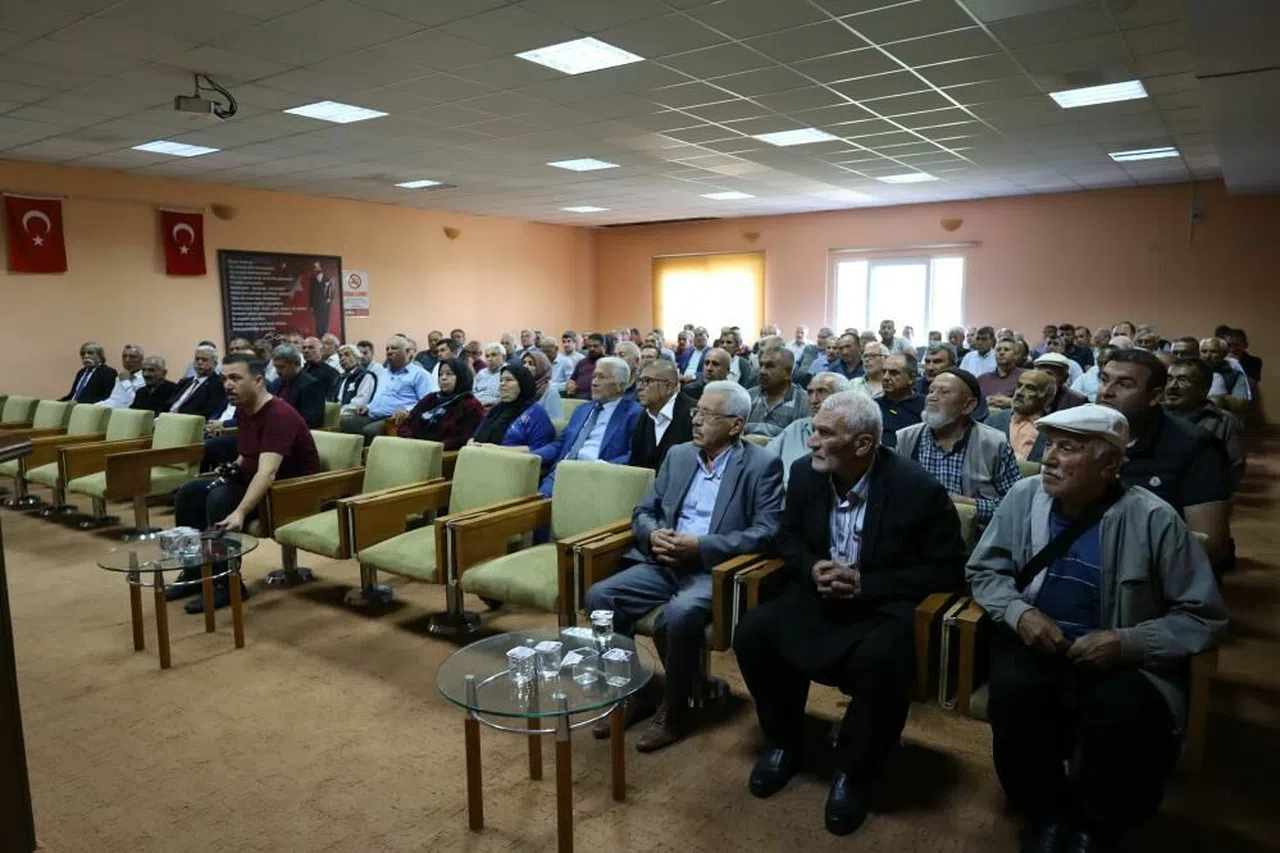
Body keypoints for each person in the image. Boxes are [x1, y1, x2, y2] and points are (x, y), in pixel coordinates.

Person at [967, 405, 1226, 853]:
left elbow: (1203, 615)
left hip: (1121, 655)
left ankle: (1096, 825)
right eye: (1050, 445)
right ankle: (1046, 812)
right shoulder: (1024, 498)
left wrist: (1127, 642)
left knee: (1122, 712)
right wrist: (1020, 613)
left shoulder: (1154, 519)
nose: (1048, 458)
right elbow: (985, 572)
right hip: (1039, 641)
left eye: (1068, 448)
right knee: (1015, 693)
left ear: (1109, 465)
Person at [735, 391, 967, 836]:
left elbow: (948, 569)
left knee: (882, 659)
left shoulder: (916, 489)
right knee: (754, 632)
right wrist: (811, 567)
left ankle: (854, 771)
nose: (812, 442)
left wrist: (867, 584)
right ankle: (784, 740)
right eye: (814, 430)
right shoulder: (806, 474)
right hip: (819, 596)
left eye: (825, 434)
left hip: (882, 604)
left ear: (862, 444)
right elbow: (785, 538)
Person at [587, 381, 784, 751]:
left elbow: (767, 533)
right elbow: (643, 511)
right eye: (697, 411)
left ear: (736, 425)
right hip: (664, 561)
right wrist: (653, 535)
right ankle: (632, 692)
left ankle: (675, 710)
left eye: (708, 414)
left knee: (678, 615)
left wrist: (701, 546)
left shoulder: (761, 465)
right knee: (601, 598)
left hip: (713, 570)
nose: (696, 420)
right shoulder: (678, 455)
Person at [166, 353, 321, 611]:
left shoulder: (278, 415)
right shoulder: (245, 409)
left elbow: (267, 473)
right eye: (225, 378)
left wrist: (240, 512)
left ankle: (227, 585)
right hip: (258, 483)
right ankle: (195, 574)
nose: (228, 385)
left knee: (219, 500)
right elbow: (247, 454)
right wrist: (231, 469)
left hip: (289, 492)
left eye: (236, 378)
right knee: (189, 493)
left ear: (258, 380)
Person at [1097, 349, 1232, 566]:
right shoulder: (1085, 431)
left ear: (1155, 396)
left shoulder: (1195, 446)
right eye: (1104, 380)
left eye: (1124, 384)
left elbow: (1209, 544)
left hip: (1149, 569)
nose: (1106, 391)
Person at [894, 369, 1022, 527]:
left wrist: (966, 505)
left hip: (975, 536)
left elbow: (1016, 506)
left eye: (944, 392)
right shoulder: (906, 438)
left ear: (968, 405)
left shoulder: (994, 443)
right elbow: (891, 494)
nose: (932, 397)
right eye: (931, 391)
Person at [535, 356, 643, 497]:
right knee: (533, 506)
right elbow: (560, 444)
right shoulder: (582, 409)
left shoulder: (634, 414)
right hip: (561, 473)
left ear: (620, 386)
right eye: (594, 377)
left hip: (596, 478)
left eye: (601, 377)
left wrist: (601, 467)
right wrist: (533, 455)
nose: (594, 383)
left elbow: (634, 455)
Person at [1164, 359, 1245, 490]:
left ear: (1204, 389)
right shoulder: (1152, 415)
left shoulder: (1223, 421)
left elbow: (1235, 469)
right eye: (1169, 379)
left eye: (1183, 380)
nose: (1172, 386)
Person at [340, 335, 437, 444]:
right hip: (374, 414)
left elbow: (428, 402)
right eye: (387, 349)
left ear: (407, 351)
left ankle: (370, 453)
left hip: (395, 418)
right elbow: (379, 397)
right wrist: (368, 406)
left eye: (394, 348)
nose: (389, 351)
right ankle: (356, 454)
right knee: (345, 423)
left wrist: (408, 411)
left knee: (370, 431)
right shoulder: (383, 373)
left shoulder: (420, 374)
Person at [766, 372, 850, 485]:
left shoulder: (851, 434)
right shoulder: (796, 427)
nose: (813, 400)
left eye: (822, 391)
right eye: (810, 392)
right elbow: (765, 460)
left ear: (843, 397)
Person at [393, 357, 484, 450]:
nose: (443, 378)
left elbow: (465, 438)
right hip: (415, 448)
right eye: (440, 374)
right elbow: (407, 422)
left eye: (449, 374)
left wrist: (434, 448)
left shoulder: (470, 404)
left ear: (461, 376)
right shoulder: (431, 398)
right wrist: (410, 440)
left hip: (443, 453)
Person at [470, 364, 556, 455]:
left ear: (522, 383)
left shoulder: (536, 412)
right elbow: (476, 436)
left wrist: (494, 449)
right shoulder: (496, 409)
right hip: (482, 458)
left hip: (513, 462)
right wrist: (471, 443)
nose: (502, 384)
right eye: (501, 380)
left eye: (509, 380)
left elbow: (539, 449)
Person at [630, 359, 694, 471]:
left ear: (669, 387)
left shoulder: (693, 415)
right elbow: (636, 463)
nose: (639, 387)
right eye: (639, 381)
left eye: (647, 381)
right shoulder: (644, 416)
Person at [986, 370, 1056, 463]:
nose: (1019, 392)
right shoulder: (994, 421)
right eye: (1019, 386)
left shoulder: (1052, 432)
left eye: (1030, 388)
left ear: (1047, 398)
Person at [745, 345, 809, 437]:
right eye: (761, 365)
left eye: (770, 366)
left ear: (788, 373)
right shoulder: (748, 396)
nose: (762, 371)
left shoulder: (804, 402)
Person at [266, 344, 326, 428]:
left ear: (296, 364)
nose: (278, 371)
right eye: (276, 367)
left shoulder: (311, 386)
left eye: (282, 367)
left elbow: (310, 421)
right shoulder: (276, 383)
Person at [876, 353, 923, 448]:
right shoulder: (874, 406)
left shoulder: (925, 407)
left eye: (894, 373)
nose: (885, 377)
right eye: (884, 372)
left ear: (911, 378)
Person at [169, 345, 227, 420]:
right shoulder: (184, 382)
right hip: (167, 417)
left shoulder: (217, 384)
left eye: (204, 360)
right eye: (197, 359)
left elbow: (206, 412)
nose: (199, 362)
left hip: (186, 421)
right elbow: (169, 403)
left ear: (215, 364)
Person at [1199, 337, 1250, 404]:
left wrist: (1220, 399)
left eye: (1213, 352)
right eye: (1204, 351)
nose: (1207, 356)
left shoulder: (1235, 374)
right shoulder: (1193, 370)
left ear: (1224, 354)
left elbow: (1241, 402)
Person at [977, 338, 1025, 409]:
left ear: (1015, 355)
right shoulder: (982, 379)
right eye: (998, 350)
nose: (1001, 353)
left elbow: (1033, 404)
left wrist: (1011, 403)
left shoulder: (1025, 376)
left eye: (1006, 350)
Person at [96, 344, 146, 409]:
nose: (127, 360)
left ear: (141, 360)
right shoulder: (121, 376)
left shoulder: (145, 378)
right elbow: (113, 399)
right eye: (124, 356)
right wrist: (94, 406)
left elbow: (135, 402)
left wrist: (125, 382)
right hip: (113, 411)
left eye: (132, 357)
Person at [520, 348, 564, 421]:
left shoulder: (550, 392)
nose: (525, 366)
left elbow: (555, 421)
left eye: (531, 364)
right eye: (524, 363)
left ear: (541, 368)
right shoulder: (520, 388)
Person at [333, 344, 377, 416]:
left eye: (347, 355)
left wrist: (336, 412)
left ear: (358, 358)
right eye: (340, 356)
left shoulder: (366, 376)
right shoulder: (340, 378)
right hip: (336, 414)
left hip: (353, 415)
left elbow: (359, 403)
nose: (342, 358)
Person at [567, 332, 605, 399]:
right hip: (578, 397)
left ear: (603, 346)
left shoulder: (607, 363)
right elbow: (572, 379)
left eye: (595, 346)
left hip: (597, 398)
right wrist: (571, 385)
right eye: (589, 346)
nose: (592, 349)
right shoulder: (582, 362)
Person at [307, 262, 335, 337]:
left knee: (325, 322)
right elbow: (311, 293)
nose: (315, 269)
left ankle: (325, 337)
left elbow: (332, 292)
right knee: (318, 322)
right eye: (315, 267)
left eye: (317, 267)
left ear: (321, 268)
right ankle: (319, 337)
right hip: (316, 305)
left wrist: (329, 298)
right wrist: (311, 306)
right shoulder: (312, 280)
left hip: (325, 306)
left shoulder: (328, 279)